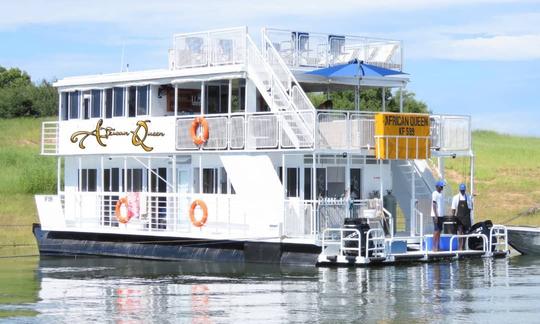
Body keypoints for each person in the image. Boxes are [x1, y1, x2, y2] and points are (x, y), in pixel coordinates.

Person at [451, 183, 473, 250]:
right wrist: (453, 218)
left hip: (466, 218)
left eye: (463, 190)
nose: (462, 191)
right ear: (459, 190)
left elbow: (471, 208)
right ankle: (460, 247)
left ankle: (464, 247)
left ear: (465, 190)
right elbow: (453, 209)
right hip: (459, 218)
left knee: (466, 233)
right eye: (461, 190)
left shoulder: (468, 197)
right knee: (460, 232)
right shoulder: (456, 197)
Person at [431, 180, 445, 251]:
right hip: (436, 215)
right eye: (441, 186)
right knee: (436, 230)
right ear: (437, 187)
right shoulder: (435, 193)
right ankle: (433, 247)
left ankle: (438, 246)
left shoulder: (441, 194)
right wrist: (436, 215)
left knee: (439, 231)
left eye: (443, 186)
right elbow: (434, 204)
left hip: (441, 215)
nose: (442, 187)